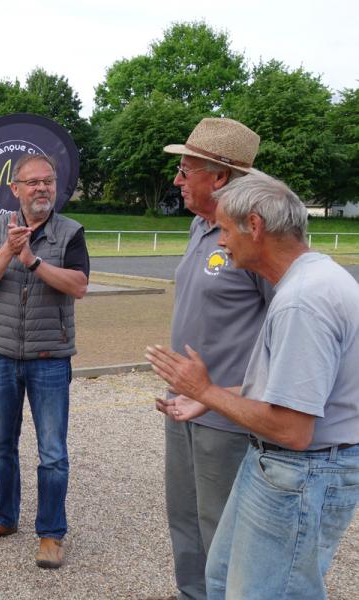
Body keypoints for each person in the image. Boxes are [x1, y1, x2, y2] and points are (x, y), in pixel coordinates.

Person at [146, 174, 359, 599]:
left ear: (256, 227)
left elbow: (292, 430)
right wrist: (212, 399)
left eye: (225, 230)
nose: (221, 241)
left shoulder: (303, 302)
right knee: (223, 579)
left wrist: (206, 391)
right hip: (279, 467)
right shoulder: (305, 282)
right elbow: (287, 391)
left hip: (300, 472)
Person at [158, 117, 274, 599]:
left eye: (186, 171)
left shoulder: (254, 238)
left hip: (225, 413)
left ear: (221, 177)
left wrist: (232, 394)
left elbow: (284, 327)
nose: (177, 180)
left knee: (223, 527)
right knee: (184, 516)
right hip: (183, 403)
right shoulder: (201, 227)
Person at [0, 153, 89, 569]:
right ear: (15, 188)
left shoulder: (70, 232)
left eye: (48, 181)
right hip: (2, 354)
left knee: (52, 452)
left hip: (50, 358)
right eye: (33, 182)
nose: (42, 189)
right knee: (1, 446)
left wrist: (33, 261)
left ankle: (51, 533)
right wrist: (8, 249)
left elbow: (78, 286)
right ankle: (4, 518)